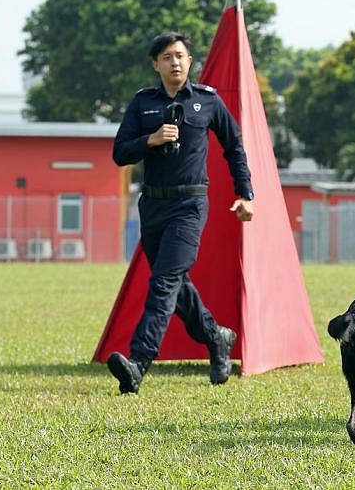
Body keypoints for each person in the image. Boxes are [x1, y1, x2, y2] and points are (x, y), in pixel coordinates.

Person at [108, 31, 255, 394]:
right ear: (155, 65)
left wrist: (246, 193)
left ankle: (138, 364)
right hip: (152, 205)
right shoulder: (142, 104)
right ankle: (216, 336)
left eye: (180, 55)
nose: (174, 62)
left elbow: (235, 147)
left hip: (189, 206)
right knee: (175, 284)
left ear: (190, 61)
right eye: (166, 57)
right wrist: (151, 140)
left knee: (163, 284)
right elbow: (120, 153)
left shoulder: (207, 101)